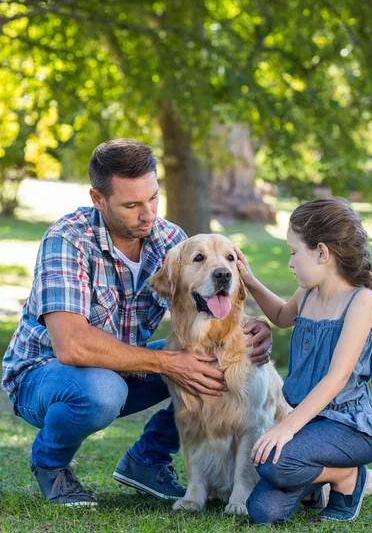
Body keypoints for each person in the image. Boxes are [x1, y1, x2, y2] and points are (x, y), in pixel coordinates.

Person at [1, 138, 272, 507]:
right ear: (98, 199)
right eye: (132, 205)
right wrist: (168, 363)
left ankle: (146, 460)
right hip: (45, 375)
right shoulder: (67, 240)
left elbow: (205, 300)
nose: (148, 214)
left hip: (124, 365)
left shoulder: (171, 241)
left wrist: (249, 328)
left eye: (153, 199)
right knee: (105, 391)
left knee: (209, 364)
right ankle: (51, 465)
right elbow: (72, 345)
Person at [235, 197, 372, 523]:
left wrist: (286, 428)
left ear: (322, 253)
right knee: (262, 512)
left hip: (349, 429)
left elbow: (336, 378)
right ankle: (315, 484)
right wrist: (249, 280)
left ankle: (346, 477)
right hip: (313, 425)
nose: (290, 263)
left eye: (294, 252)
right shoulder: (307, 294)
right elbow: (280, 316)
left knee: (272, 462)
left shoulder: (359, 300)